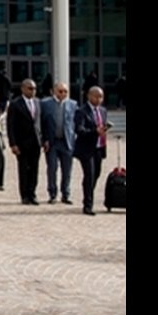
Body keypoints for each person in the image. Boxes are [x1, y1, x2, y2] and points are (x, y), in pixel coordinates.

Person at [40, 81, 77, 204]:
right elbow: (41, 124)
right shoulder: (45, 104)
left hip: (66, 142)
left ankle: (65, 194)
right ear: (54, 91)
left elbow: (74, 124)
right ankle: (52, 193)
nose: (63, 93)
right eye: (60, 91)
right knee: (52, 168)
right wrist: (44, 140)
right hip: (52, 142)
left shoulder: (73, 104)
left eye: (65, 91)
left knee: (67, 170)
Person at [73, 86, 109, 216]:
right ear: (89, 96)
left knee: (96, 174)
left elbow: (102, 127)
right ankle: (88, 205)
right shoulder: (81, 111)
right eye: (96, 96)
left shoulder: (103, 111)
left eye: (101, 97)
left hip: (99, 148)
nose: (99, 99)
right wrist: (95, 131)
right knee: (89, 174)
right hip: (86, 149)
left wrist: (104, 130)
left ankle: (88, 195)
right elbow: (79, 130)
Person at [6, 79, 42, 205]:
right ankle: (25, 195)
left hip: (36, 142)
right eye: (30, 88)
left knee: (34, 169)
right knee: (23, 170)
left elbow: (40, 122)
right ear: (22, 89)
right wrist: (13, 144)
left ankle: (33, 194)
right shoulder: (15, 104)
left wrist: (44, 139)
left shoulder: (38, 102)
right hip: (22, 143)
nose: (33, 91)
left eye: (34, 89)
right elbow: (11, 125)